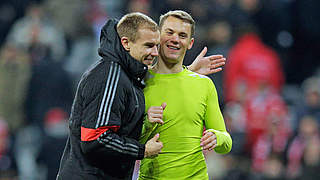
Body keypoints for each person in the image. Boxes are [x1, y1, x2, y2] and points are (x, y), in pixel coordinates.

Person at [57, 12, 225, 180]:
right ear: (126, 43)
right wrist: (142, 150)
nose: (155, 52)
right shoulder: (111, 75)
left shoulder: (129, 76)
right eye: (148, 45)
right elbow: (95, 138)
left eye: (156, 46)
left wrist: (187, 74)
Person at [139, 10, 232, 179]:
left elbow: (226, 142)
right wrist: (146, 123)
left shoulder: (204, 84)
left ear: (190, 43)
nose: (175, 39)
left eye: (182, 35)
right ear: (158, 36)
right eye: (170, 32)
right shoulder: (138, 82)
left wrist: (217, 137)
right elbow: (124, 140)